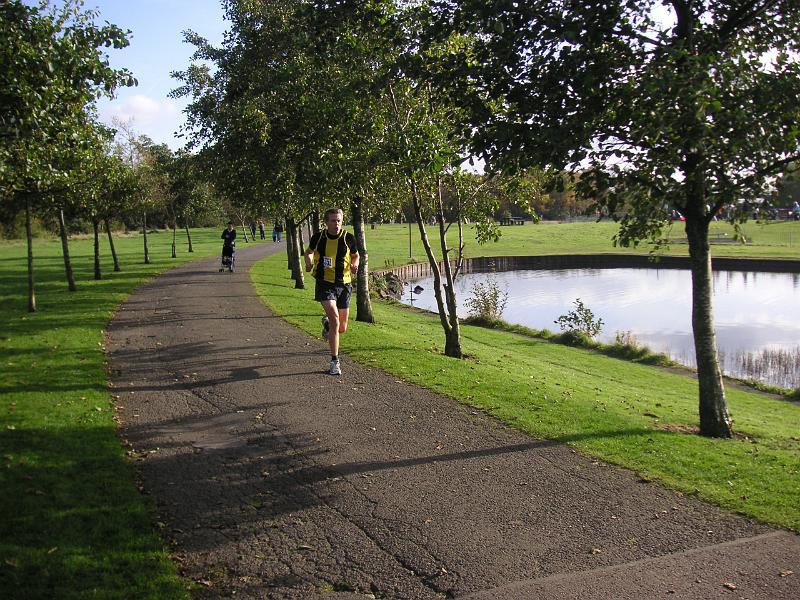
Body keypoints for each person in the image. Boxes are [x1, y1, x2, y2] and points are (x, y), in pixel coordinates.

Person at [304, 208, 359, 376]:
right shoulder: (318, 237)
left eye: (339, 221)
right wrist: (308, 263)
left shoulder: (348, 238)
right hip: (325, 283)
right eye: (333, 221)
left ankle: (327, 324)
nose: (336, 224)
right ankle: (335, 362)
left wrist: (355, 264)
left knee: (341, 327)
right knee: (336, 320)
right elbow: (308, 252)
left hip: (345, 284)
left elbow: (356, 255)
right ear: (326, 222)